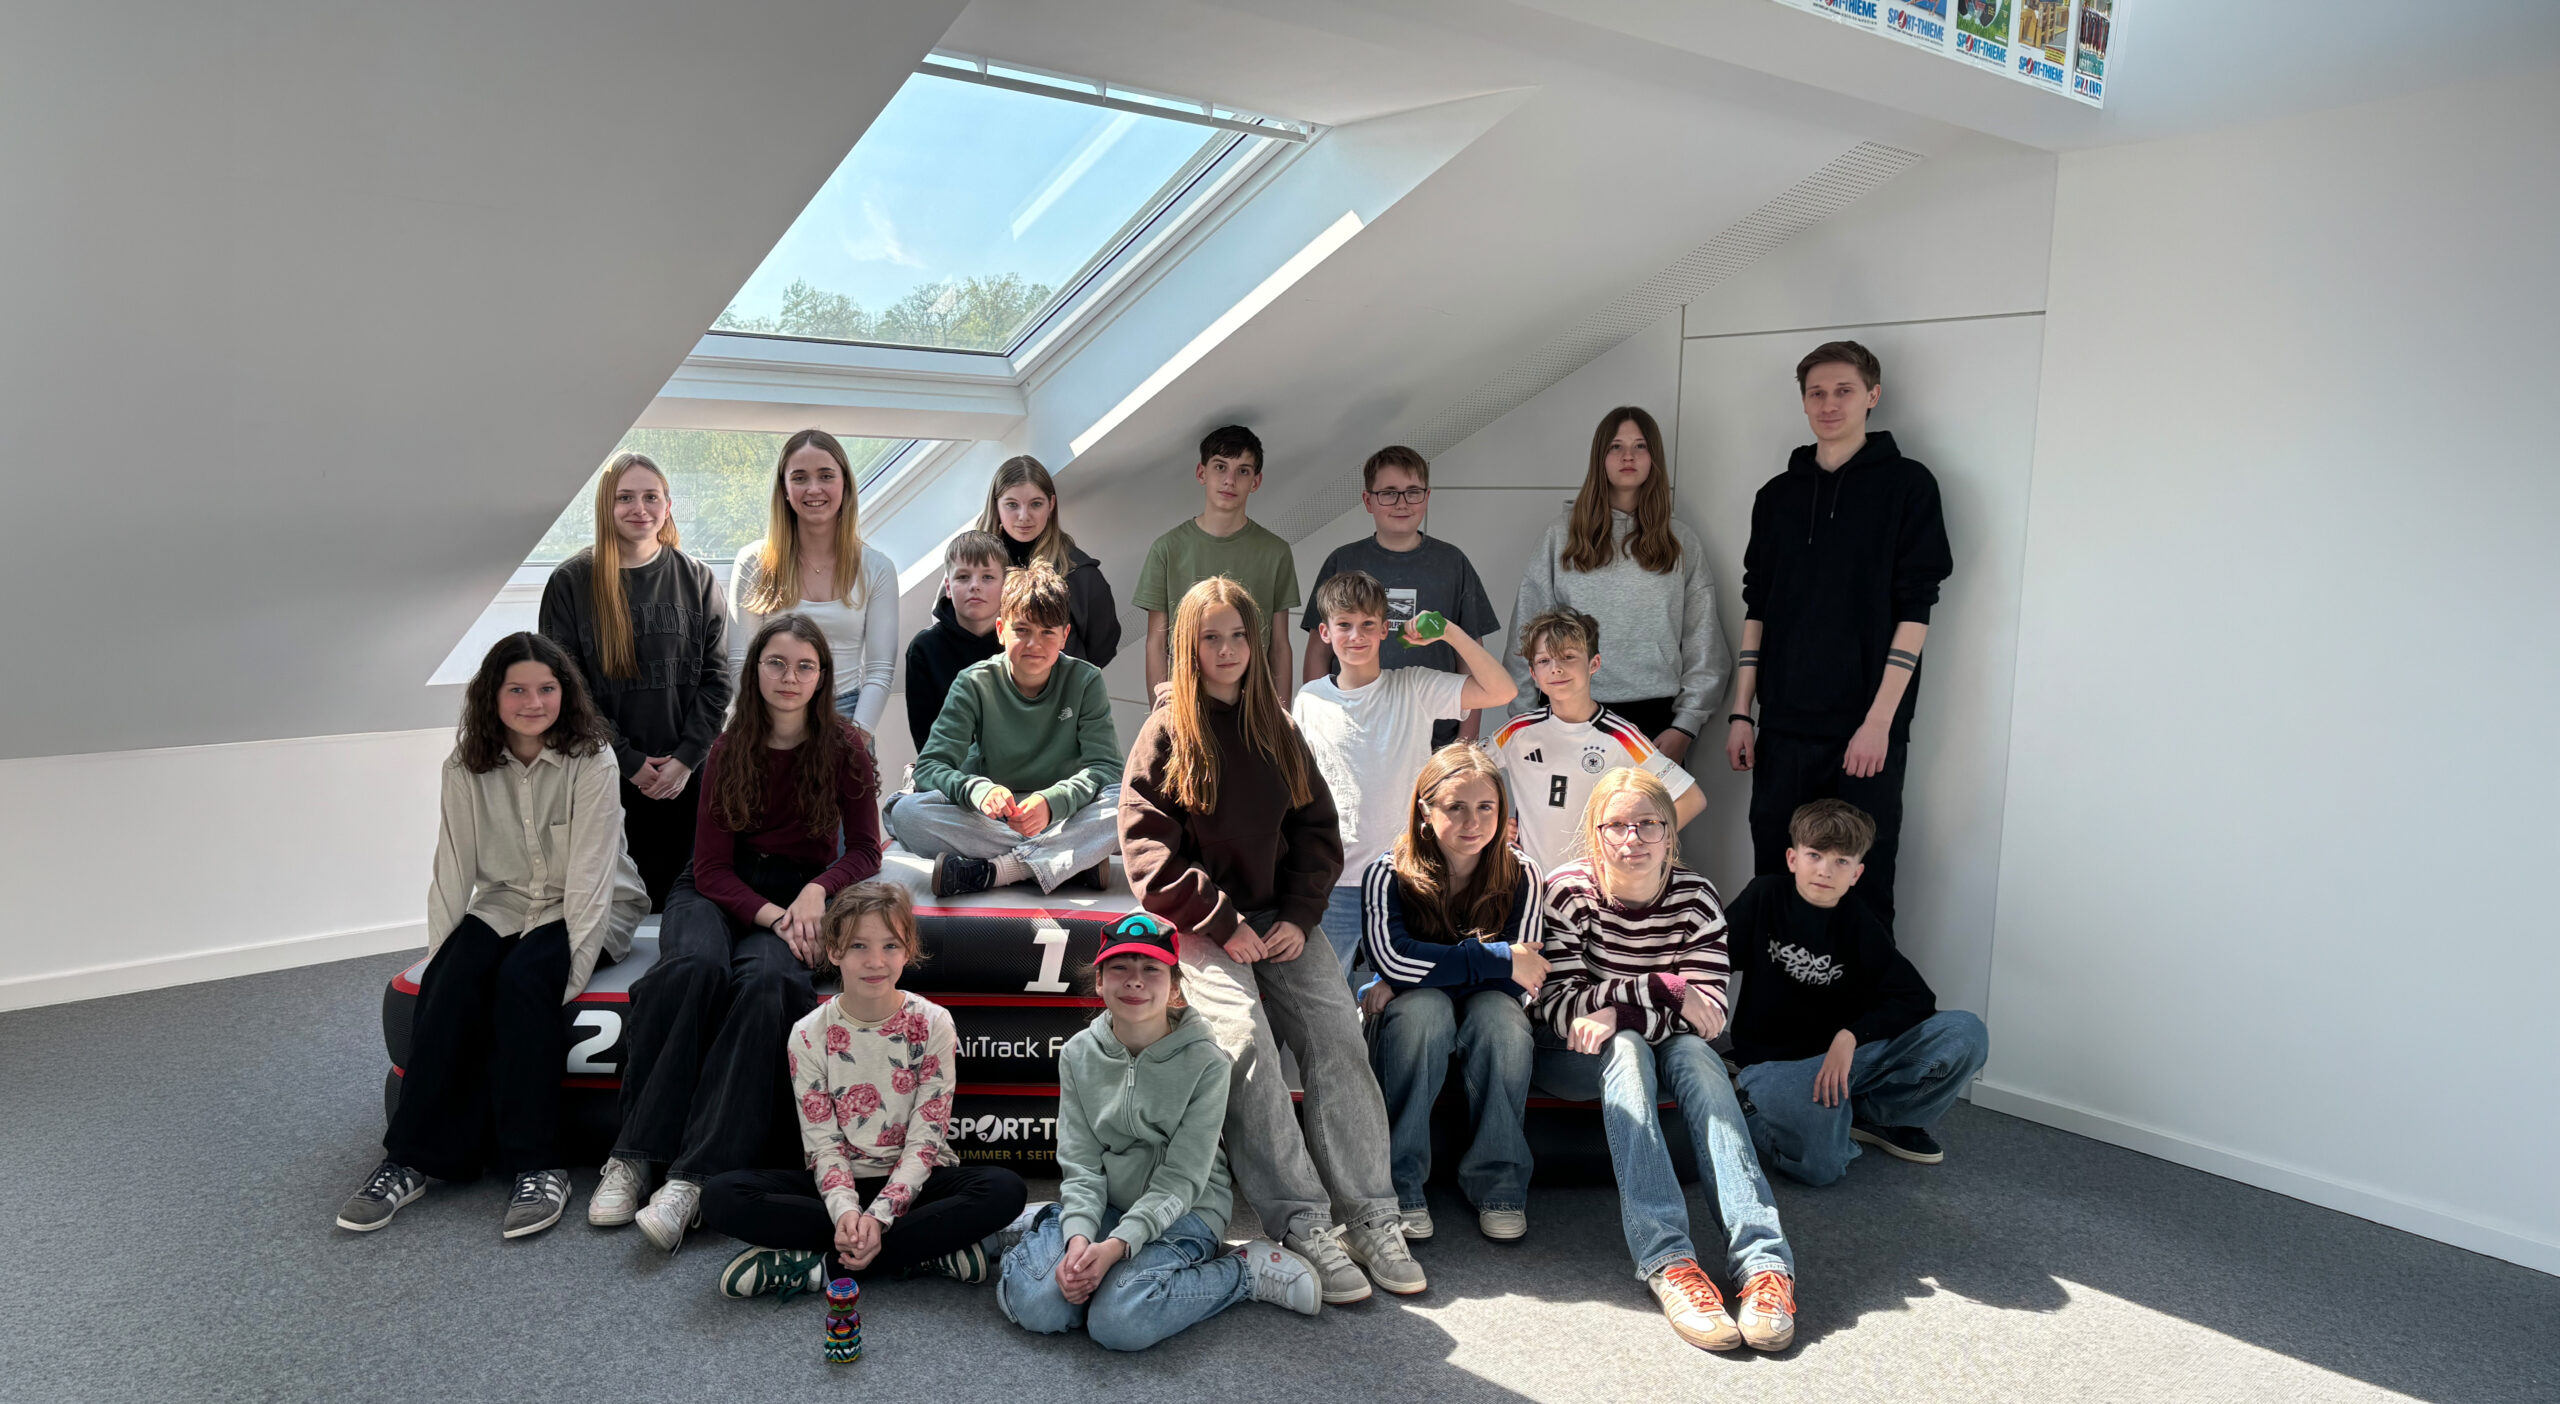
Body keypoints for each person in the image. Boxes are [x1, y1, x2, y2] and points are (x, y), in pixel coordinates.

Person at [1119, 576, 1427, 1304]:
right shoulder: (1165, 731)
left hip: (1283, 921)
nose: (1227, 651)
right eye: (1211, 638)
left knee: (1335, 1035)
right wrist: (1222, 923)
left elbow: (1317, 834)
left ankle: (1370, 1214)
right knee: (1246, 1042)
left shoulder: (1280, 727)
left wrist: (1297, 915)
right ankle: (1303, 1221)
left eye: (1238, 636)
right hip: (1202, 926)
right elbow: (1147, 856)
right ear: (1189, 648)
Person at [334, 633, 647, 1239]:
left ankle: (538, 1164)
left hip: (597, 905)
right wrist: (441, 961)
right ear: (493, 697)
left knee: (525, 982)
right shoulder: (464, 766)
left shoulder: (593, 759)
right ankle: (410, 1161)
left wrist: (567, 971)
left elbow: (589, 881)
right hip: (506, 900)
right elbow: (451, 869)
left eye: (547, 689)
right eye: (518, 690)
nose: (534, 702)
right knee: (452, 983)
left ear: (565, 693)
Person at [593, 615, 884, 1251]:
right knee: (692, 971)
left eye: (805, 666)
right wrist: (777, 917)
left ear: (822, 678)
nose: (790, 677)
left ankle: (693, 1179)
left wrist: (812, 894)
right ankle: (633, 1157)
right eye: (776, 663)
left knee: (769, 986)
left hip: (798, 894)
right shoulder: (729, 748)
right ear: (755, 671)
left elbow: (865, 851)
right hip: (713, 891)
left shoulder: (846, 748)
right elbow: (714, 869)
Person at [1531, 768, 1797, 1353]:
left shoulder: (1696, 897)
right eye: (1617, 825)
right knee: (1626, 1047)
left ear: (1670, 834)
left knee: (1700, 1056)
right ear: (1595, 833)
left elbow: (1710, 1014)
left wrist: (1643, 995)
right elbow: (1559, 1008)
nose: (1633, 839)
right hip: (1575, 1057)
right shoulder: (1567, 891)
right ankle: (1669, 1260)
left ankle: (1763, 1265)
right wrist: (1665, 989)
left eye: (1648, 824)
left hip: (1663, 1042)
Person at [998, 913, 1321, 1348]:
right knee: (1040, 1307)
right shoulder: (1078, 1053)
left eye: (1151, 969)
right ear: (1099, 981)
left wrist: (1115, 1247)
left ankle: (1244, 1272)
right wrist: (1079, 1239)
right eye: (1120, 968)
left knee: (1118, 1323)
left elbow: (1183, 1178)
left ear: (1174, 987)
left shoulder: (1207, 1061)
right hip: (1106, 1205)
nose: (1134, 981)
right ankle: (1051, 1227)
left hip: (1184, 1212)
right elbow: (1081, 1164)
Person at [701, 882, 1031, 1296]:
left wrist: (878, 1217)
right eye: (859, 946)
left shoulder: (933, 1022)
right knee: (720, 1197)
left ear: (908, 949)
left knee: (1004, 1190)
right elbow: (822, 1144)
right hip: (837, 1184)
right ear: (834, 951)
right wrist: (846, 1212)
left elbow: (926, 1141)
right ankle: (925, 1252)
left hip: (917, 1182)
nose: (876, 961)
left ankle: (819, 1266)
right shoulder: (807, 1034)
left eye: (890, 946)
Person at [1725, 341, 1953, 930]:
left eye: (1844, 390)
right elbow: (1758, 607)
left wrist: (1878, 723)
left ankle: (1859, 1026)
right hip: (1783, 731)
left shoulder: (1908, 486)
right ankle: (1770, 1022)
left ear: (1872, 397)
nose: (1829, 404)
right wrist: (1742, 712)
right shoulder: (1776, 498)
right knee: (1776, 884)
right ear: (1803, 402)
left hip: (1866, 735)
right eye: (1817, 393)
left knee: (1863, 890)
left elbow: (1916, 609)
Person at [1726, 799, 1989, 1185]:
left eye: (1841, 862)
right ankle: (1749, 1109)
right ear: (1792, 858)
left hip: (1845, 1063)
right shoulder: (1765, 896)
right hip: (1775, 1068)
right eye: (1814, 855)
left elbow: (1916, 999)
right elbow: (1711, 958)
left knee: (1966, 1031)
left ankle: (1877, 1117)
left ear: (1856, 873)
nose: (1825, 870)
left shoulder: (1860, 923)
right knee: (1821, 1168)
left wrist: (1850, 1037)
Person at [1357, 745, 1546, 1242]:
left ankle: (1499, 1183)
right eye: (1455, 807)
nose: (1473, 821)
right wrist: (1495, 956)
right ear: (1425, 810)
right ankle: (1400, 1184)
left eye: (1486, 807)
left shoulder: (1523, 872)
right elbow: (1393, 958)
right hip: (1415, 1013)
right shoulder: (1387, 872)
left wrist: (1419, 970)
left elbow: (1519, 980)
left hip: (1488, 1005)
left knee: (1499, 1018)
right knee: (1424, 1010)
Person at [1293, 570, 1515, 980]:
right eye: (1344, 625)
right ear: (1325, 632)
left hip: (1407, 880)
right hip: (1332, 882)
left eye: (1367, 624)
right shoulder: (1309, 699)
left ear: (1384, 630)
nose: (1355, 635)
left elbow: (1502, 691)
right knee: (1324, 1009)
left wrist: (1447, 632)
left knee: (1404, 1000)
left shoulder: (1414, 685)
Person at [538, 451, 732, 912]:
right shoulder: (571, 582)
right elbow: (566, 689)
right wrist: (626, 760)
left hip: (688, 777)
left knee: (686, 907)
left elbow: (717, 680)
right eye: (625, 498)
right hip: (604, 775)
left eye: (651, 497)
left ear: (668, 505)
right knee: (615, 909)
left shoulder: (698, 579)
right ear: (607, 506)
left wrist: (685, 759)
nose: (638, 508)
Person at [1507, 407, 1729, 769]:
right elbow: (1526, 636)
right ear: (1600, 458)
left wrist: (1685, 727)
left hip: (1654, 723)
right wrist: (1525, 722)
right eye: (1616, 447)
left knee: (1643, 828)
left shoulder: (1680, 541)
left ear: (1654, 458)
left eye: (1640, 446)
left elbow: (1704, 642)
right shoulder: (1559, 536)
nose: (1628, 456)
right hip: (1566, 715)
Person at [890, 563, 1122, 897]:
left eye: (1047, 632)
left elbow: (1108, 768)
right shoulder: (973, 682)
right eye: (1022, 630)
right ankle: (1067, 863)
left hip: (1061, 814)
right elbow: (930, 767)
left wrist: (1052, 801)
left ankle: (1002, 870)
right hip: (994, 818)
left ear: (1064, 636)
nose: (1034, 644)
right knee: (906, 813)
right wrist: (977, 790)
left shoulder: (1085, 680)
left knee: (1128, 805)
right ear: (1001, 630)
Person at [1300, 445, 1503, 748]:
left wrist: (1466, 742)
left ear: (1427, 497)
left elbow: (1469, 652)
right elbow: (1319, 651)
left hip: (1435, 736)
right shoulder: (1343, 561)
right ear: (1368, 500)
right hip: (1354, 729)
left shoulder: (1451, 563)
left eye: (1412, 492)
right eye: (1389, 492)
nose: (1402, 503)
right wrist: (1315, 725)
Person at [1491, 608, 1704, 876]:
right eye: (1544, 661)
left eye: (1568, 657)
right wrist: (1493, 823)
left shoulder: (1620, 736)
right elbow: (1461, 772)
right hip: (1529, 886)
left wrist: (1635, 845)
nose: (1556, 668)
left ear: (1594, 664)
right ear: (1533, 674)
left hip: (1596, 893)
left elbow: (1691, 798)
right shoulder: (1517, 731)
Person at [727, 428, 901, 740]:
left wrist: (858, 736)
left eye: (825, 476)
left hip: (846, 716)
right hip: (767, 716)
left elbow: (879, 671)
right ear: (784, 488)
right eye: (799, 478)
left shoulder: (877, 568)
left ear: (844, 483)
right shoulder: (753, 563)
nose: (813, 489)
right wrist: (770, 729)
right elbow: (741, 661)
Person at [1134, 425, 1297, 703]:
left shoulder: (1276, 552)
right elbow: (1156, 644)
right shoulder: (1166, 549)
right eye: (1220, 467)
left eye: (1243, 471)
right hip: (1186, 706)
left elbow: (1280, 646)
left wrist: (1282, 721)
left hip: (1253, 709)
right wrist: (1161, 715)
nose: (1230, 480)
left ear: (1255, 482)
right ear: (1202, 473)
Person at [974, 454, 1121, 669]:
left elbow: (1101, 650)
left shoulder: (1080, 574)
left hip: (1061, 698)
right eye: (1012, 505)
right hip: (983, 698)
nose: (1024, 516)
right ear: (996, 505)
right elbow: (948, 631)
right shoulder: (969, 568)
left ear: (1051, 504)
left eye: (1036, 504)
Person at [902, 530, 1007, 751]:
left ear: (1004, 586)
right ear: (948, 587)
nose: (975, 585)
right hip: (953, 776)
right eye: (963, 577)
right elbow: (928, 743)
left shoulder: (1020, 641)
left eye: (987, 577)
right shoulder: (924, 649)